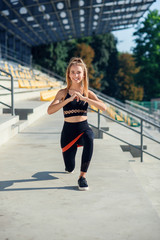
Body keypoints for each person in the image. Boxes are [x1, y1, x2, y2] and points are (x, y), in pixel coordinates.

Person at [47, 57, 106, 190]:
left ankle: (82, 177)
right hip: (68, 132)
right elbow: (50, 111)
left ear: (83, 74)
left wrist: (86, 99)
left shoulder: (87, 92)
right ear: (68, 74)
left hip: (83, 127)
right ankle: (70, 167)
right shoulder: (62, 93)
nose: (76, 75)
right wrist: (68, 100)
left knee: (90, 138)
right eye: (73, 72)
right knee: (69, 167)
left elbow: (104, 107)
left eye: (78, 72)